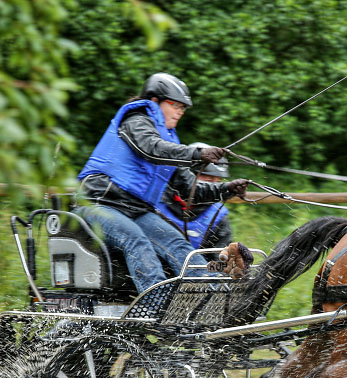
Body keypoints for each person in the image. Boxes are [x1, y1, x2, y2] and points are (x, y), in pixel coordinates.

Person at [75, 73, 248, 294]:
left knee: (179, 245)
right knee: (137, 242)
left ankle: (210, 298)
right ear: (155, 100)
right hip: (100, 204)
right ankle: (155, 307)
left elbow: (188, 189)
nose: (180, 111)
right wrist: (198, 153)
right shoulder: (136, 120)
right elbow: (151, 149)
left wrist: (225, 189)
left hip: (136, 211)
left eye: (183, 108)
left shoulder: (169, 140)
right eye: (175, 104)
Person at [155, 142, 234, 250]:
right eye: (208, 181)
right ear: (186, 175)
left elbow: (220, 262)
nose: (214, 187)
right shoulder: (156, 205)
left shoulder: (217, 216)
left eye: (218, 182)